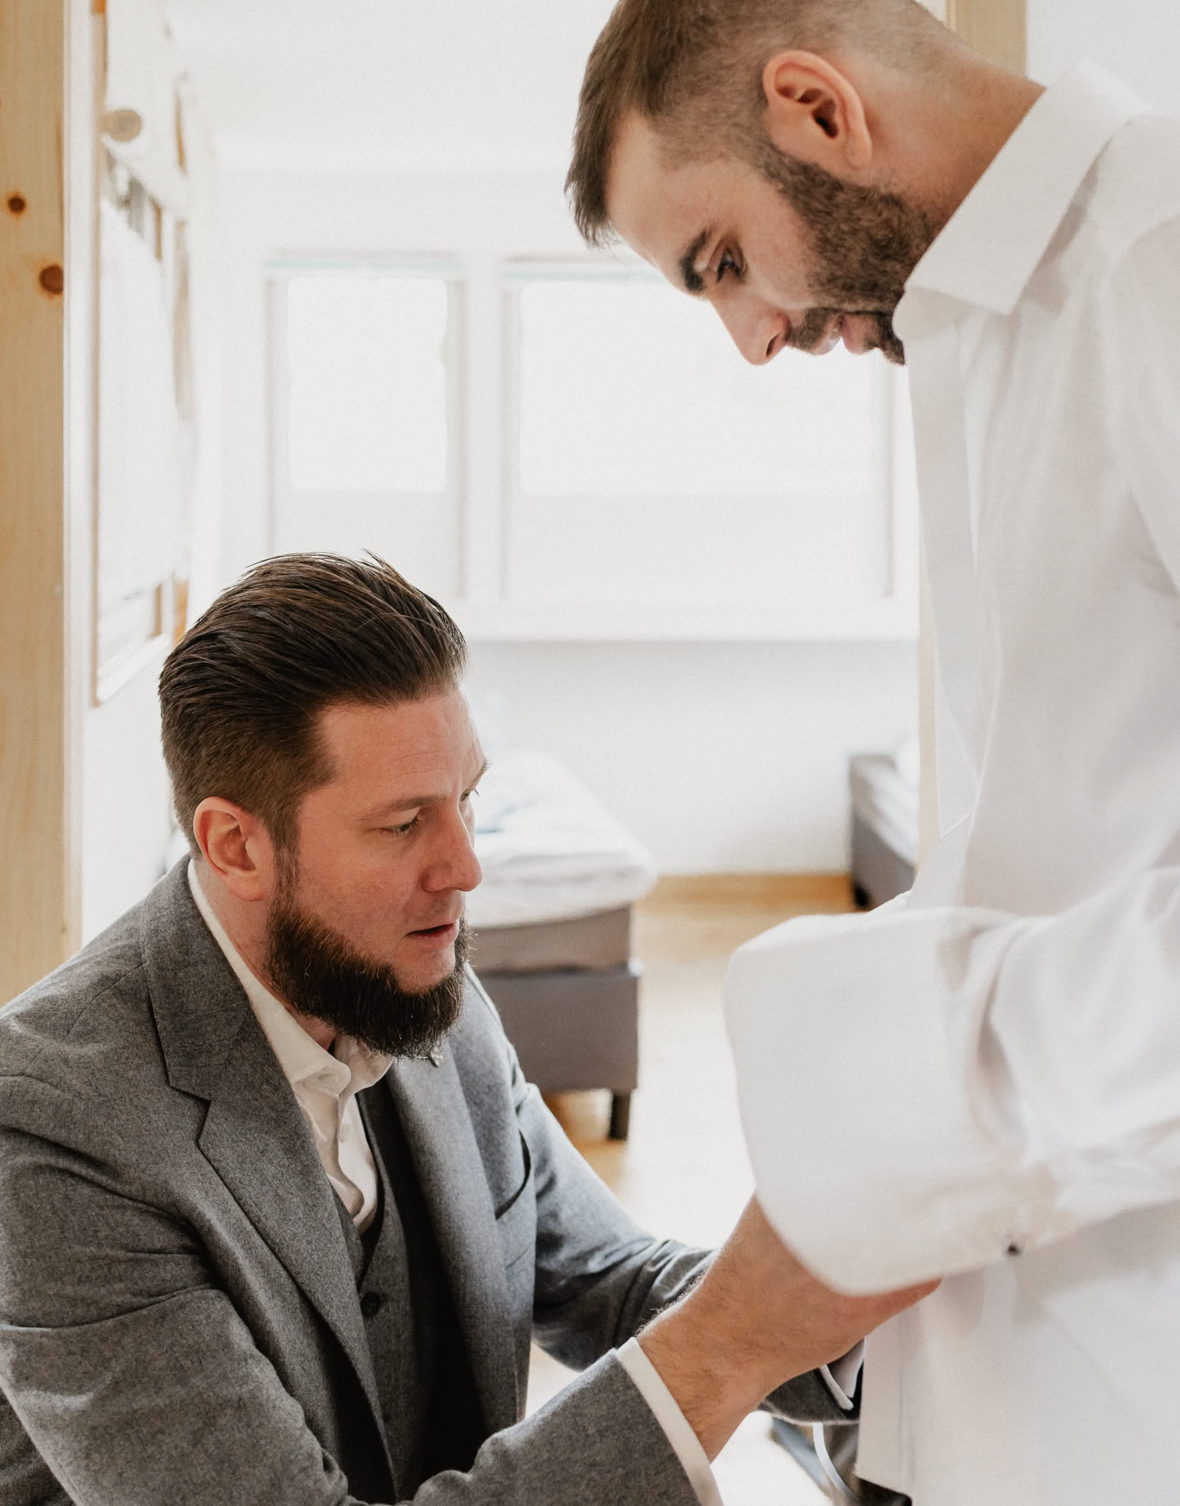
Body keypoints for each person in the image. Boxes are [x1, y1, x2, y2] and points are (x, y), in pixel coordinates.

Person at [566, 0, 1180, 1501]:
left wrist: (914, 1075)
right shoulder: (983, 332)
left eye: (721, 259)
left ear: (817, 107)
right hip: (1011, 1369)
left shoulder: (1160, 259)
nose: (751, 334)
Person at [0, 552, 929, 1505]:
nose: (465, 869)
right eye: (403, 824)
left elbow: (608, 1281)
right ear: (237, 846)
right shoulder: (53, 1128)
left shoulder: (410, 980)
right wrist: (724, 1345)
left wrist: (851, 1299)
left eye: (467, 799)